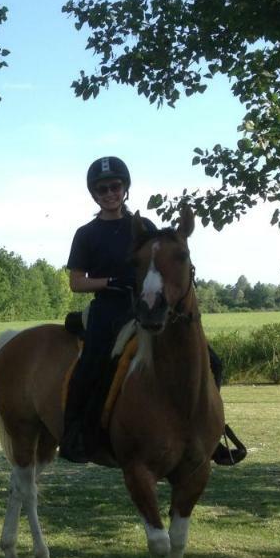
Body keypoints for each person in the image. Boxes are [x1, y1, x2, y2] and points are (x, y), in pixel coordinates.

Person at [60, 157, 245, 465]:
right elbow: (76, 282)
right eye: (102, 189)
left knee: (212, 360)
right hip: (107, 309)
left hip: (144, 307)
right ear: (94, 194)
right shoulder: (86, 233)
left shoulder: (143, 227)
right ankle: (77, 433)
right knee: (91, 365)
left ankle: (209, 433)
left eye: (115, 186)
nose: (109, 193)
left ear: (125, 189)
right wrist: (109, 282)